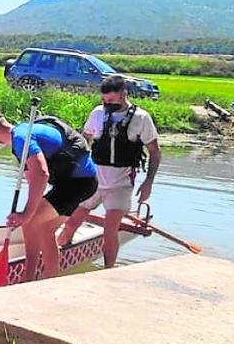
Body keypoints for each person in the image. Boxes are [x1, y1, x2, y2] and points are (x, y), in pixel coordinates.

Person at [0, 109, 97, 281]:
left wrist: (26, 214)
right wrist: (26, 210)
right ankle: (50, 280)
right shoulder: (24, 131)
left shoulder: (20, 138)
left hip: (76, 183)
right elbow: (34, 182)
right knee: (45, 229)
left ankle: (28, 279)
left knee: (30, 222)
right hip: (83, 182)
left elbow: (41, 174)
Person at [58, 75, 162, 268]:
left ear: (124, 94)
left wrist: (148, 183)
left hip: (120, 184)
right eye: (104, 101)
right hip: (94, 180)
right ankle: (58, 256)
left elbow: (155, 152)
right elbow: (84, 140)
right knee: (72, 221)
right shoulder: (98, 113)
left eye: (112, 101)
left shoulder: (141, 118)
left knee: (109, 229)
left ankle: (108, 271)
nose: (107, 105)